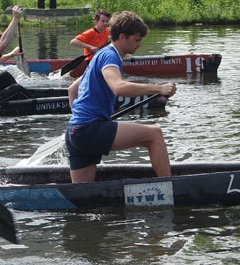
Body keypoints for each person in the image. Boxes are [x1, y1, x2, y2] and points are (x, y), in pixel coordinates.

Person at [65, 11, 176, 183]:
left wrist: (80, 120)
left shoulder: (100, 55)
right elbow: (118, 87)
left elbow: (72, 90)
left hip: (75, 131)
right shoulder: (110, 56)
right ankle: (171, 187)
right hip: (89, 130)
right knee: (154, 134)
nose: (139, 45)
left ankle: (16, 187)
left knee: (81, 195)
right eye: (137, 40)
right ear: (123, 37)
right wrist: (159, 88)